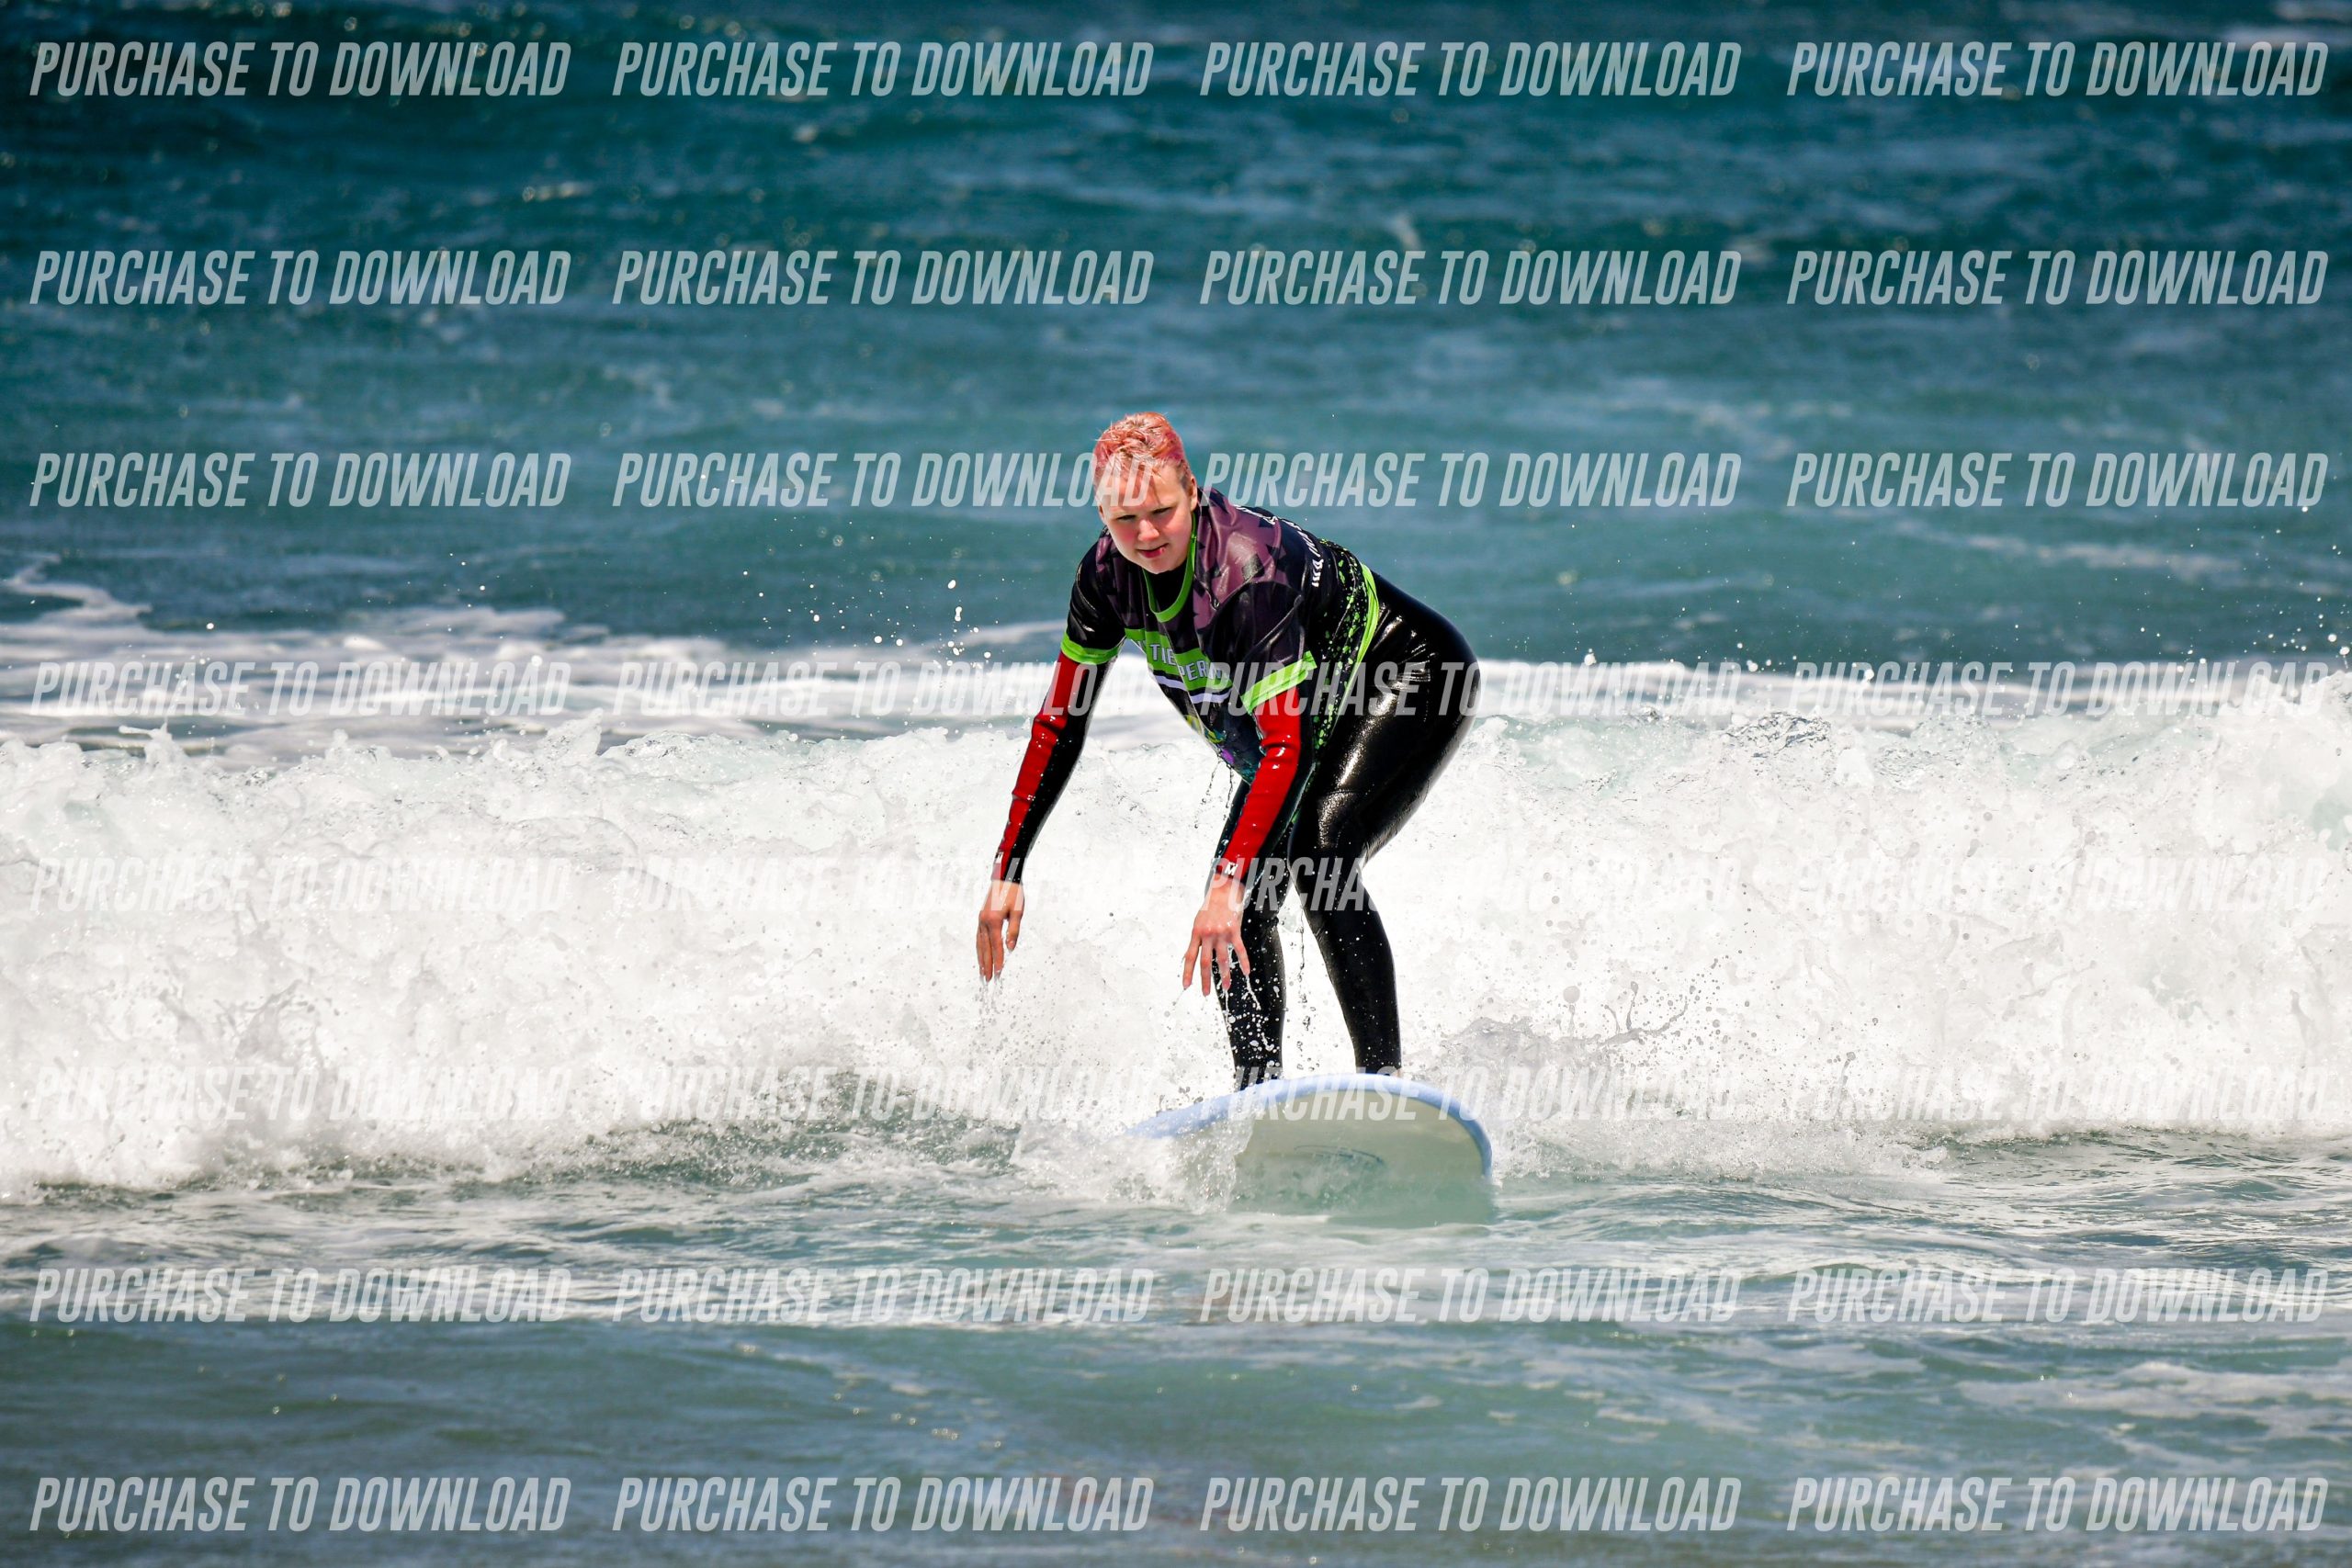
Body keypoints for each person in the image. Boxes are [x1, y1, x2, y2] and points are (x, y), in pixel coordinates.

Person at [975, 412, 1479, 1087]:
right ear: (1101, 515)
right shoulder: (1104, 578)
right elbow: (1060, 721)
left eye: (1162, 511)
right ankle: (1257, 1097)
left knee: (1319, 855)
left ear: (1192, 492)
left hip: (1409, 673)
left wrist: (1228, 882)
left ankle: (1384, 1083)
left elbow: (1285, 745)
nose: (1146, 535)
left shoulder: (1246, 569)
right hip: (1309, 716)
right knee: (1243, 901)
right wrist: (1008, 867)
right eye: (1125, 520)